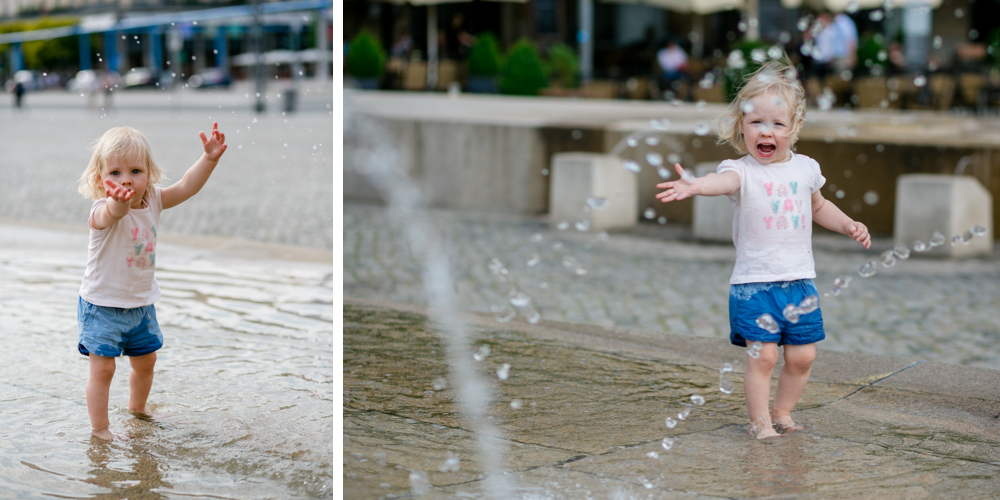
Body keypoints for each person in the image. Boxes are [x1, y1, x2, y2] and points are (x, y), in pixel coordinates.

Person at [654, 60, 871, 439]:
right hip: (755, 284)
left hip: (800, 281)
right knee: (765, 356)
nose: (765, 132)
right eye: (756, 123)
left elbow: (819, 206)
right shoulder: (741, 170)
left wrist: (848, 223)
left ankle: (782, 411)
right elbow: (720, 182)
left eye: (776, 124)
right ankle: (760, 423)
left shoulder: (806, 168)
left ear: (794, 129)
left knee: (803, 357)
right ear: (741, 127)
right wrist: (695, 185)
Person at [76, 123, 228, 441]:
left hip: (141, 304)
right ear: (99, 179)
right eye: (114, 173)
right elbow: (112, 213)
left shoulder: (154, 200)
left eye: (135, 170)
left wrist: (209, 160)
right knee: (103, 370)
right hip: (102, 304)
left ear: (149, 173)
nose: (126, 180)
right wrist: (117, 200)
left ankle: (138, 409)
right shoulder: (102, 209)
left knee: (146, 362)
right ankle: (100, 429)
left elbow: (187, 186)